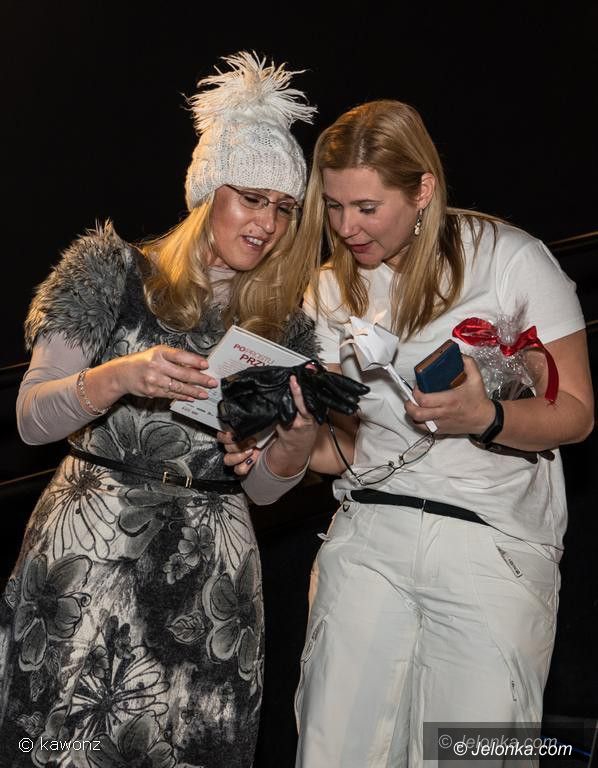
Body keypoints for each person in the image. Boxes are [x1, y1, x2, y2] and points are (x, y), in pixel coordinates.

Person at [228, 99, 594, 767]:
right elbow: (347, 450)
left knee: (469, 754)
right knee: (337, 752)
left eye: (367, 207)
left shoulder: (509, 258)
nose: (347, 226)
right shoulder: (327, 291)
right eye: (333, 207)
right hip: (369, 537)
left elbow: (576, 412)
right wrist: (285, 435)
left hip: (490, 545)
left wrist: (486, 417)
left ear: (422, 189)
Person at [0, 52, 317, 768]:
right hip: (94, 557)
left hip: (212, 579)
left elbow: (266, 489)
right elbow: (30, 418)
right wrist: (121, 376)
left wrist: (292, 444)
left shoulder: (285, 329)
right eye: (251, 197)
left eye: (284, 207)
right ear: (207, 192)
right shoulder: (111, 273)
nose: (267, 223)